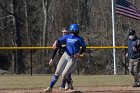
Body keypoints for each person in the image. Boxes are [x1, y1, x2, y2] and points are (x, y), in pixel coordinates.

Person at [44, 23, 86, 92]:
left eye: (77, 30)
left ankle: (69, 82)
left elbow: (84, 48)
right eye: (75, 30)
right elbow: (59, 40)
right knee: (57, 72)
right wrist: (55, 42)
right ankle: (50, 87)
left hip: (72, 58)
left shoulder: (79, 39)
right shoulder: (67, 37)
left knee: (64, 75)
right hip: (65, 55)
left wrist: (79, 53)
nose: (76, 31)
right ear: (71, 30)